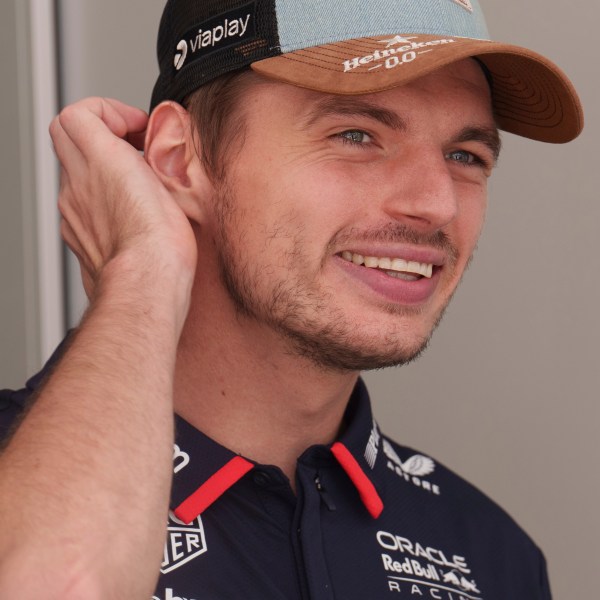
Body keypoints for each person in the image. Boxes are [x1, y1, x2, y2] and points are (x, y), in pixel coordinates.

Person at [0, 0, 583, 598]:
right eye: (356, 135)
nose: (438, 204)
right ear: (178, 160)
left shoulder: (491, 556)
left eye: (465, 156)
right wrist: (141, 268)